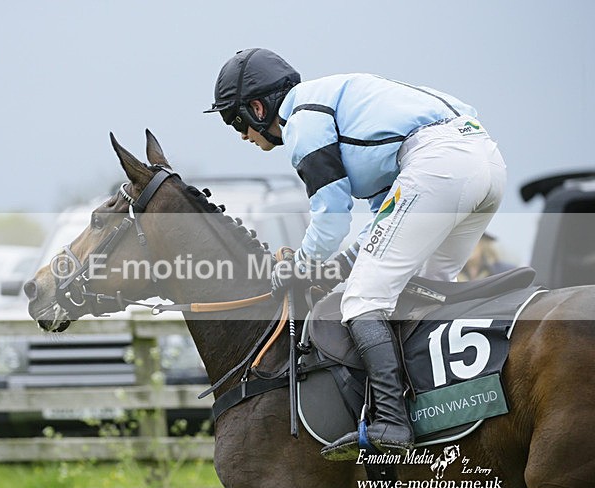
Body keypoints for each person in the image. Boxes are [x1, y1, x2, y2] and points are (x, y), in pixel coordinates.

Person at [205, 49, 507, 460]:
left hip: (441, 165)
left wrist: (299, 266)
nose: (242, 135)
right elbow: (384, 221)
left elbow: (330, 220)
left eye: (236, 121)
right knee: (428, 290)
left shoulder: (302, 123)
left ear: (258, 108)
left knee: (364, 300)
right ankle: (446, 413)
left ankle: (392, 422)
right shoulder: (342, 109)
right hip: (484, 160)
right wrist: (341, 264)